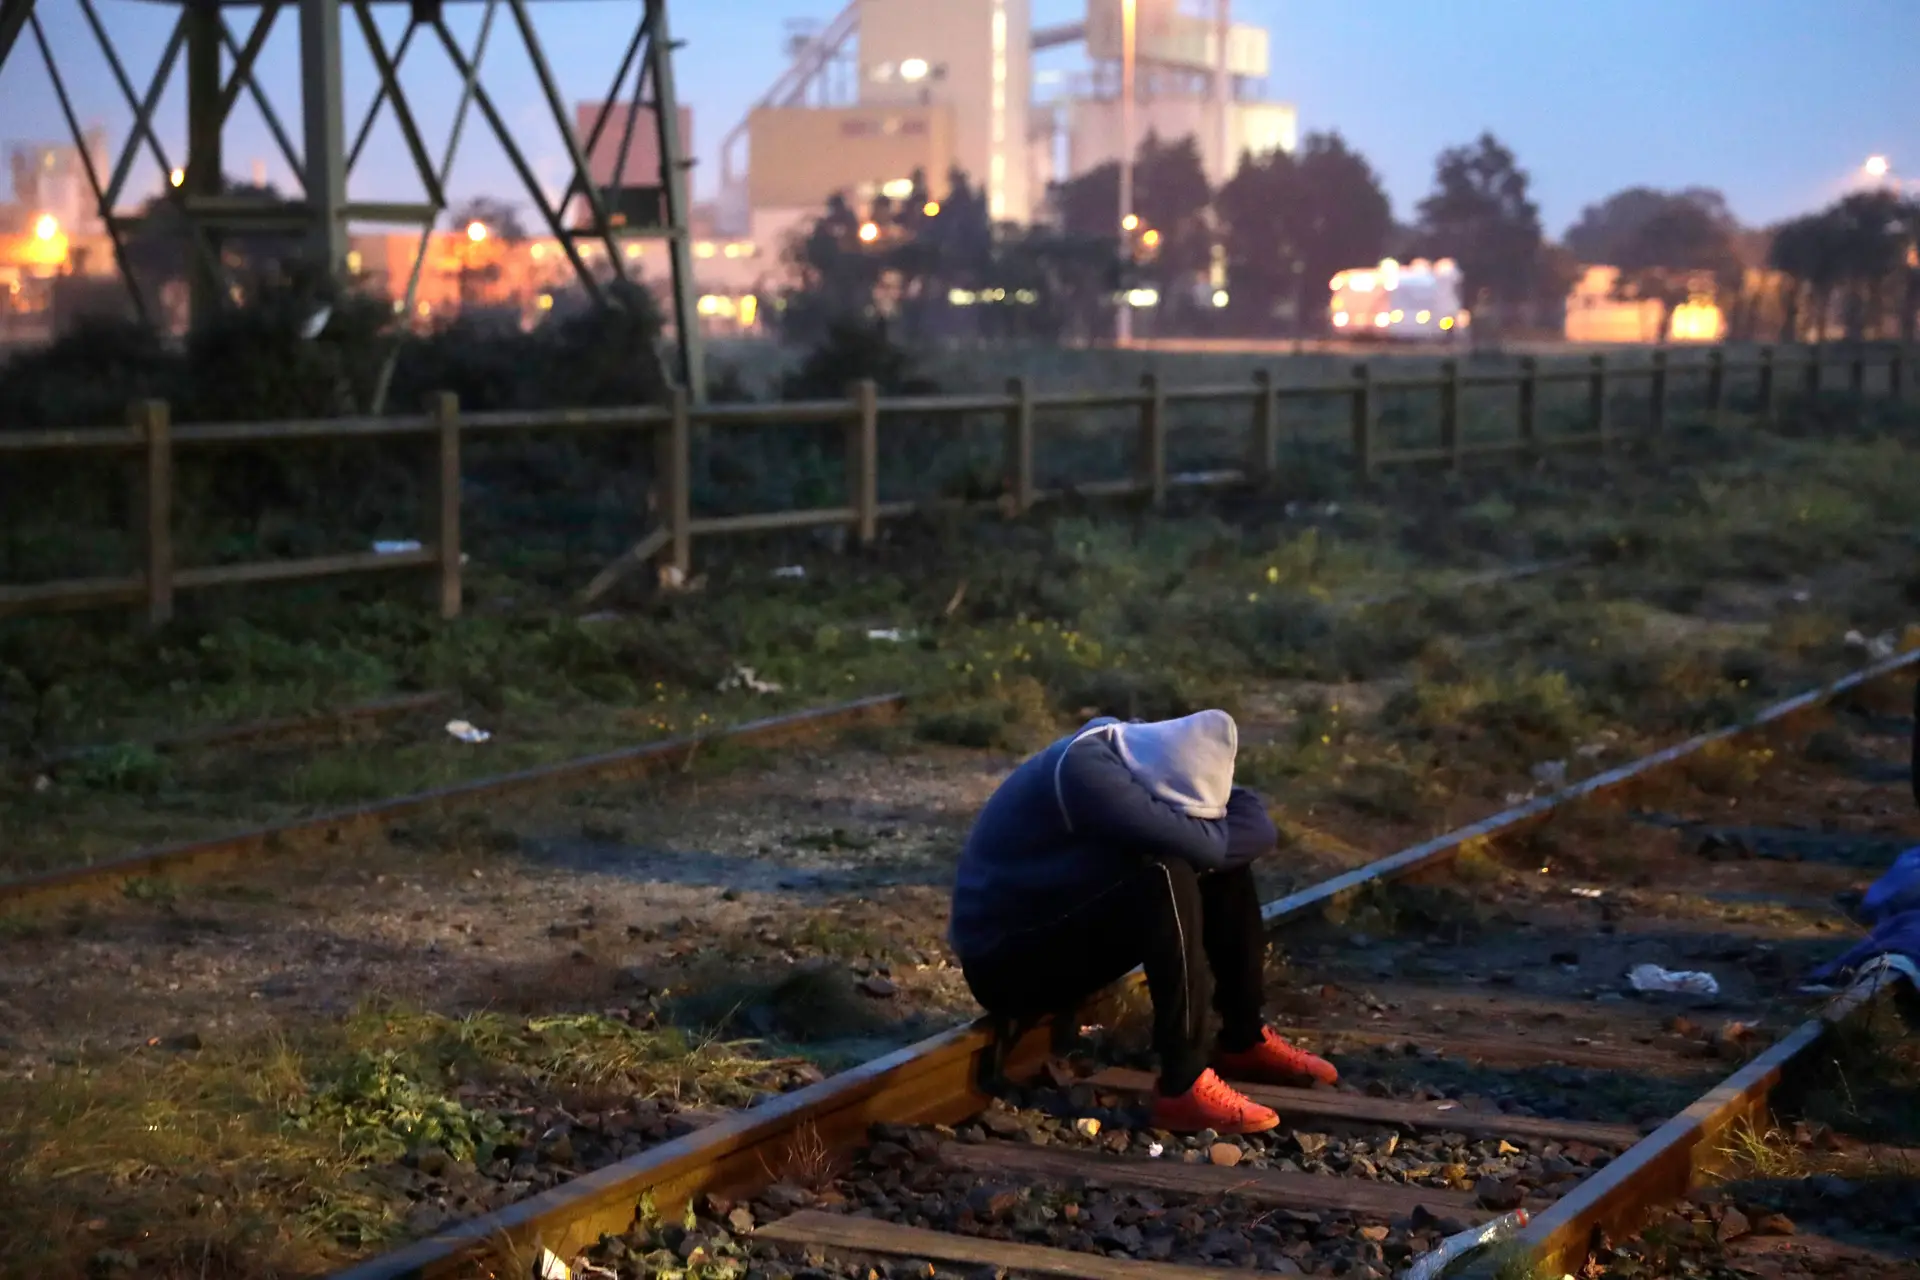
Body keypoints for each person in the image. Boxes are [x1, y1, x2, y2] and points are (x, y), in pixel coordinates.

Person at [949, 709, 1337, 1136]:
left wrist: (1203, 835)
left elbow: (1259, 828)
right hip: (1007, 959)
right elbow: (1208, 848)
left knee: (1217, 869)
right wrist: (1204, 840)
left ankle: (1243, 1039)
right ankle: (1182, 1084)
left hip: (1062, 923)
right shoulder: (1087, 771)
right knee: (1166, 873)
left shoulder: (1149, 757)